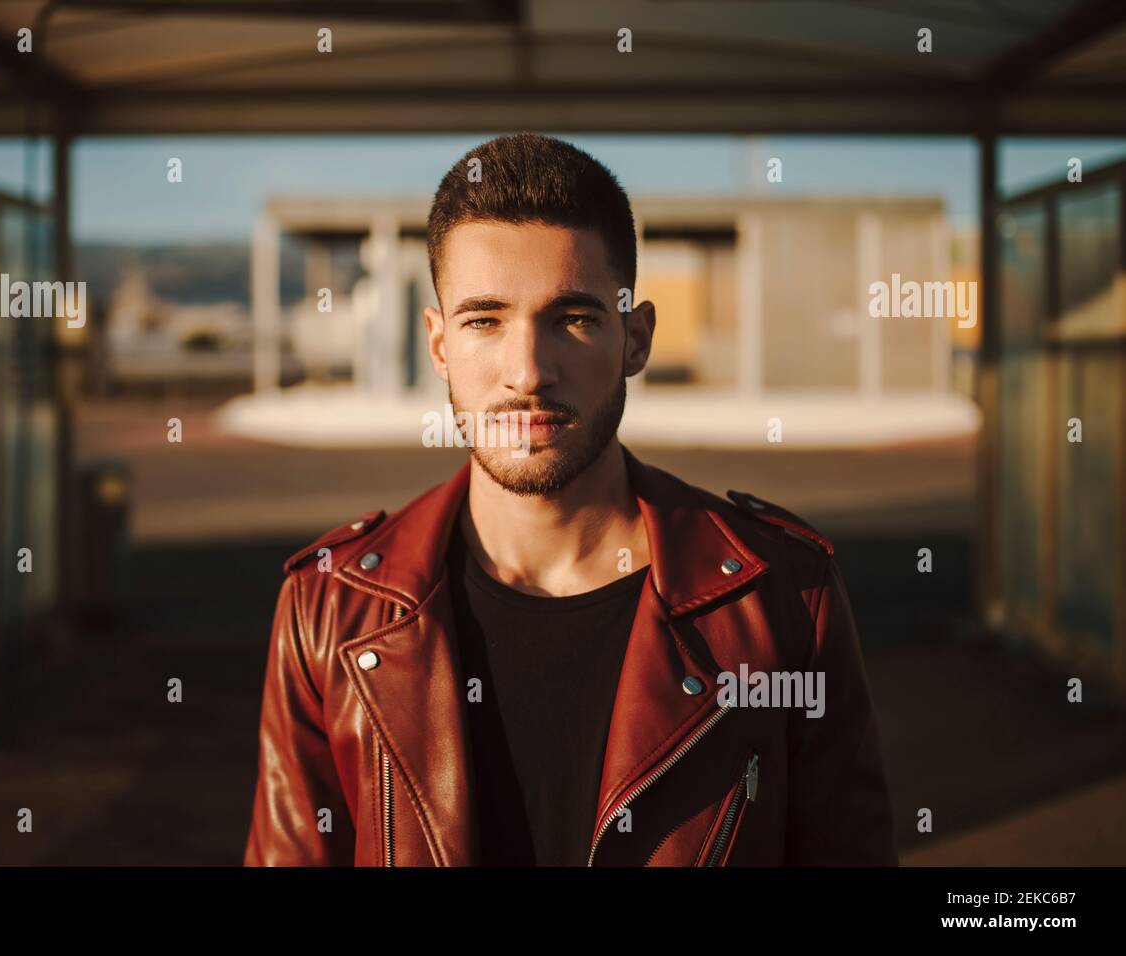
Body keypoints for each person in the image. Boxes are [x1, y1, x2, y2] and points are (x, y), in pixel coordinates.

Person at [243, 132, 897, 866]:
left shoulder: (780, 598)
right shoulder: (328, 609)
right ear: (438, 346)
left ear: (635, 339)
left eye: (573, 319)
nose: (526, 370)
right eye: (484, 320)